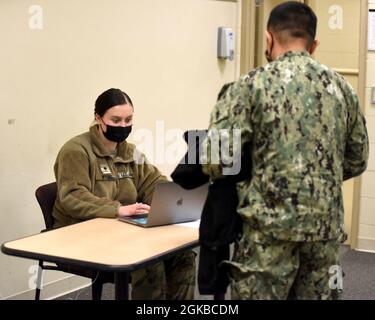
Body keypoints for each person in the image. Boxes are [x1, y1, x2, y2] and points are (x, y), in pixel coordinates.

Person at [200, 1, 369, 300]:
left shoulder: (250, 86)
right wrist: (315, 178)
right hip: (324, 234)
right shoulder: (343, 90)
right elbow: (357, 159)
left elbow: (214, 160)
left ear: (268, 38)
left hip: (267, 235)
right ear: (314, 43)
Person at [52, 88, 196, 299]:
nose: (123, 126)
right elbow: (72, 196)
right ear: (98, 118)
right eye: (116, 120)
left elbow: (152, 182)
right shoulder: (76, 151)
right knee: (150, 260)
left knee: (182, 255)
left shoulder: (129, 152)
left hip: (124, 232)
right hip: (81, 234)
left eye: (128, 120)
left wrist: (175, 200)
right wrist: (117, 209)